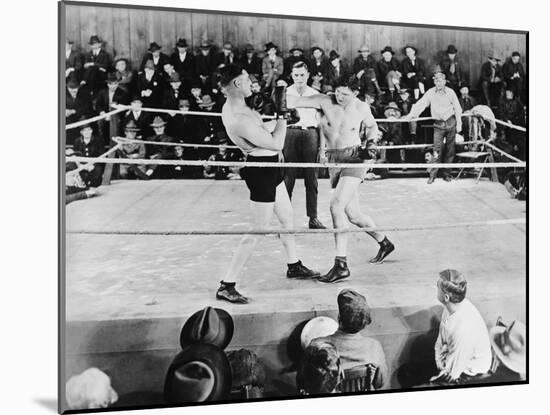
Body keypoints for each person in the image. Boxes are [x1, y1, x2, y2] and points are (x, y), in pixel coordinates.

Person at [216, 63, 319, 304]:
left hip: (271, 166)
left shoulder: (239, 106)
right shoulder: (238, 117)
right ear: (237, 84)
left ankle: (293, 265)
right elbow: (275, 144)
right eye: (246, 78)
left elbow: (263, 130)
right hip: (261, 170)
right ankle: (226, 284)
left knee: (286, 217)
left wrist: (281, 121)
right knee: (259, 228)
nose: (251, 83)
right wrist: (283, 118)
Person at [288, 75, 395, 283]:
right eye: (337, 91)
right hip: (334, 160)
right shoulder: (324, 100)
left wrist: (372, 142)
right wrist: (277, 96)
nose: (340, 96)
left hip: (355, 158)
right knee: (354, 215)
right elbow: (294, 101)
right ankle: (384, 242)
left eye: (345, 94)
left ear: (355, 93)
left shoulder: (361, 107)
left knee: (336, 205)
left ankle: (341, 264)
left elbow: (372, 126)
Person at [311, 289, 389, 390]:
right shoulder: (374, 347)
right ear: (363, 324)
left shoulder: (317, 346)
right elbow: (379, 383)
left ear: (339, 318)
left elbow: (308, 383)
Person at [283, 62, 326, 229]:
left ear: (308, 75)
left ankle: (313, 218)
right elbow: (279, 121)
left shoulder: (316, 94)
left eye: (302, 75)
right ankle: (285, 222)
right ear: (291, 76)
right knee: (288, 178)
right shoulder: (285, 93)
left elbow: (322, 124)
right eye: (296, 75)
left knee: (312, 178)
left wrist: (323, 149)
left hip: (310, 134)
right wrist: (278, 146)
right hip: (290, 134)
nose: (299, 78)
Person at [431, 269, 492, 384]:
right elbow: (440, 343)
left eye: (437, 287)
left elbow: (452, 372)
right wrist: (439, 362)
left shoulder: (462, 329)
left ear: (446, 298)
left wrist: (441, 371)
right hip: (454, 358)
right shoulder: (451, 307)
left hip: (469, 372)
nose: (435, 288)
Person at [405, 71, 463, 184]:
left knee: (450, 150)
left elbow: (458, 108)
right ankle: (433, 175)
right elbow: (421, 104)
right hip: (438, 124)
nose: (438, 83)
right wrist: (411, 115)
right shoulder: (430, 93)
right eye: (436, 81)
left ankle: (447, 174)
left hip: (451, 122)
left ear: (445, 81)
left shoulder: (450, 92)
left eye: (440, 80)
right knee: (436, 150)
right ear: (434, 82)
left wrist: (459, 123)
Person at [73, 120, 105, 187]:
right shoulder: (77, 142)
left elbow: (102, 155)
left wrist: (92, 165)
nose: (87, 132)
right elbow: (75, 155)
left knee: (95, 181)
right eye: (84, 131)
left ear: (92, 131)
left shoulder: (98, 141)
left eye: (89, 130)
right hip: (82, 166)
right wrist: (80, 165)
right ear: (81, 132)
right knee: (80, 179)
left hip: (94, 165)